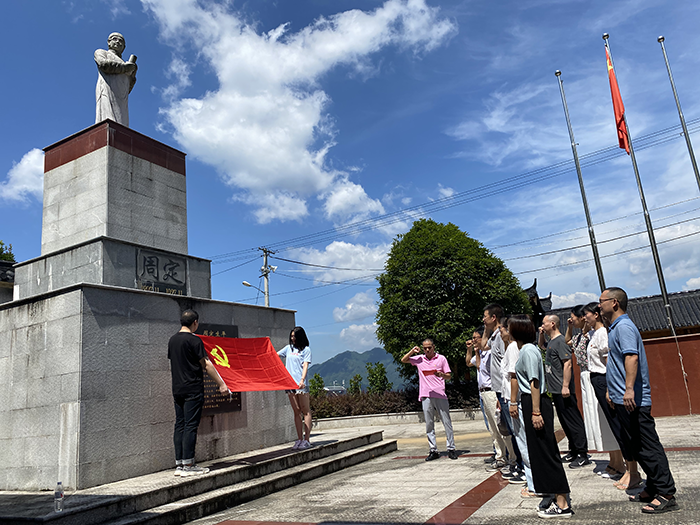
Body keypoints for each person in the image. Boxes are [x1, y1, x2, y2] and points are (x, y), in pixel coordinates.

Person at [599, 287, 678, 514]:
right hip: (621, 399)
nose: (599, 305)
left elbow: (631, 358)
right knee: (638, 447)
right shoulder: (614, 328)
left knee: (647, 445)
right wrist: (612, 392)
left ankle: (666, 492)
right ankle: (653, 486)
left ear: (614, 303)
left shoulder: (623, 326)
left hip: (633, 400)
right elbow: (614, 363)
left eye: (601, 301)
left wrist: (629, 389)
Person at [512, 315, 574, 518]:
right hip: (531, 401)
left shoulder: (529, 350)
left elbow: (534, 382)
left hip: (535, 401)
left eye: (508, 328)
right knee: (539, 451)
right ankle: (553, 495)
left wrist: (536, 412)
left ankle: (563, 503)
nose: (505, 331)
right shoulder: (526, 350)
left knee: (547, 451)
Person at [168, 309, 229, 476]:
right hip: (193, 388)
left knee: (180, 424)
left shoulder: (172, 340)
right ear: (195, 322)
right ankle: (189, 465)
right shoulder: (194, 341)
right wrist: (221, 384)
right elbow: (206, 364)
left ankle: (180, 464)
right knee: (190, 426)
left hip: (177, 389)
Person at [581, 302, 629, 482]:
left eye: (587, 314)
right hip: (596, 379)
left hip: (603, 379)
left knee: (615, 422)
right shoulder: (594, 334)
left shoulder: (602, 334)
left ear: (595, 314)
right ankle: (616, 462)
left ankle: (626, 466)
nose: (585, 318)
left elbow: (609, 363)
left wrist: (610, 387)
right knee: (607, 422)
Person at [540, 315, 589, 468]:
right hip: (555, 390)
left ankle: (582, 452)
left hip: (563, 389)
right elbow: (542, 346)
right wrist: (541, 334)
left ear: (552, 324)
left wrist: (565, 386)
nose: (542, 325)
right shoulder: (552, 342)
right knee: (565, 422)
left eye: (544, 323)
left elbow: (567, 364)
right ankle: (573, 450)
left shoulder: (560, 341)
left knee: (573, 420)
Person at [402, 338, 458, 460]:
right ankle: (433, 450)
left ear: (434, 347)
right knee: (429, 423)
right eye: (425, 348)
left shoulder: (441, 358)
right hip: (426, 394)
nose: (427, 350)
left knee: (446, 421)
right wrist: (412, 351)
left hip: (440, 394)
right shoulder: (420, 359)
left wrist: (441, 375)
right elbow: (404, 360)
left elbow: (448, 376)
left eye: (429, 347)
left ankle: (451, 448)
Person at [482, 304, 518, 471]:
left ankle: (518, 464)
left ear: (493, 317)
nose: (483, 319)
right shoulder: (494, 336)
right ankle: (515, 462)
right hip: (499, 389)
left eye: (485, 317)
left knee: (513, 428)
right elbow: (483, 345)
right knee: (506, 427)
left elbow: (509, 367)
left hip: (505, 389)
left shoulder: (503, 338)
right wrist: (485, 329)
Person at [278, 326, 313, 450]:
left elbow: (305, 366)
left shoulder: (306, 350)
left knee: (305, 410)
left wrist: (302, 380)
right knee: (296, 411)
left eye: (294, 336)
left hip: (301, 385)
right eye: (291, 336)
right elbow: (275, 356)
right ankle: (299, 439)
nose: (292, 338)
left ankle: (307, 439)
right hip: (289, 384)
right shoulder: (288, 348)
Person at [95, 32, 137, 126]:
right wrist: (125, 68)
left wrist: (132, 75)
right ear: (109, 42)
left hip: (121, 97)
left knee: (122, 121)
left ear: (124, 47)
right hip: (107, 88)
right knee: (108, 116)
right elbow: (104, 65)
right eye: (115, 39)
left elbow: (127, 89)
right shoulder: (101, 52)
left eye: (121, 41)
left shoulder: (125, 63)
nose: (118, 42)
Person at [465, 327, 494, 463]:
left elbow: (479, 366)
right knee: (489, 425)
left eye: (476, 337)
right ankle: (497, 451)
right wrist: (470, 350)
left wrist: (477, 352)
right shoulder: (480, 353)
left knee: (496, 424)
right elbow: (468, 363)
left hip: (490, 390)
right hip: (482, 392)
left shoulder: (488, 353)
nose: (473, 340)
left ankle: (504, 453)